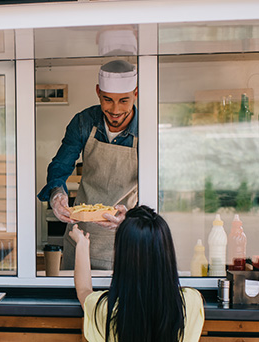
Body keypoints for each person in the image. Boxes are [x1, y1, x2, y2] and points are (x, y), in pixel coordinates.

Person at [38, 59, 138, 270]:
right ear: (98, 92)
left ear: (135, 93)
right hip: (81, 234)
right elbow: (59, 166)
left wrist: (133, 218)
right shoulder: (84, 122)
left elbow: (158, 187)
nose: (115, 109)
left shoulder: (146, 128)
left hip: (125, 234)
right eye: (107, 100)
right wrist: (57, 194)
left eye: (124, 101)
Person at [69, 205, 205, 342]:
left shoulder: (108, 310)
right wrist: (132, 227)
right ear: (166, 252)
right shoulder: (190, 302)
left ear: (123, 257)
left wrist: (82, 243)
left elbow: (83, 290)